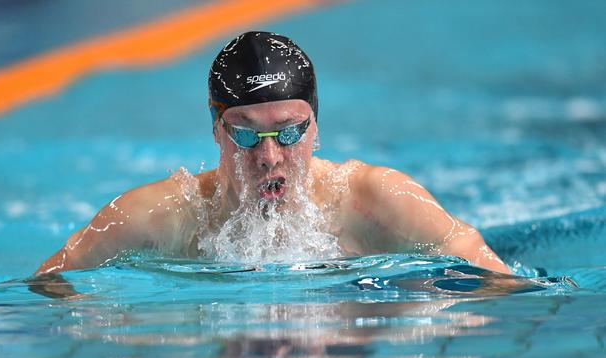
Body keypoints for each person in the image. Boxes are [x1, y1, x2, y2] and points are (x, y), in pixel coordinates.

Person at [36, 31, 510, 275]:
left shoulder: (374, 200)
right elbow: (53, 282)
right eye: (244, 134)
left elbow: (488, 273)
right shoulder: (161, 216)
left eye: (288, 133)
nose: (268, 156)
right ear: (216, 129)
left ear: (316, 125)